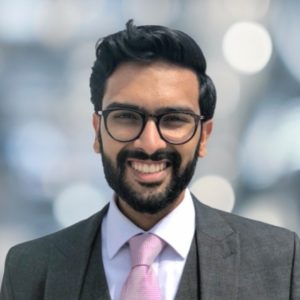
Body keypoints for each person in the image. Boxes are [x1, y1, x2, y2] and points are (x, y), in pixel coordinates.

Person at [1, 19, 299, 300]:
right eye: (127, 117)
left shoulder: (279, 260)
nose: (149, 143)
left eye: (173, 120)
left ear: (204, 136)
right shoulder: (30, 269)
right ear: (97, 131)